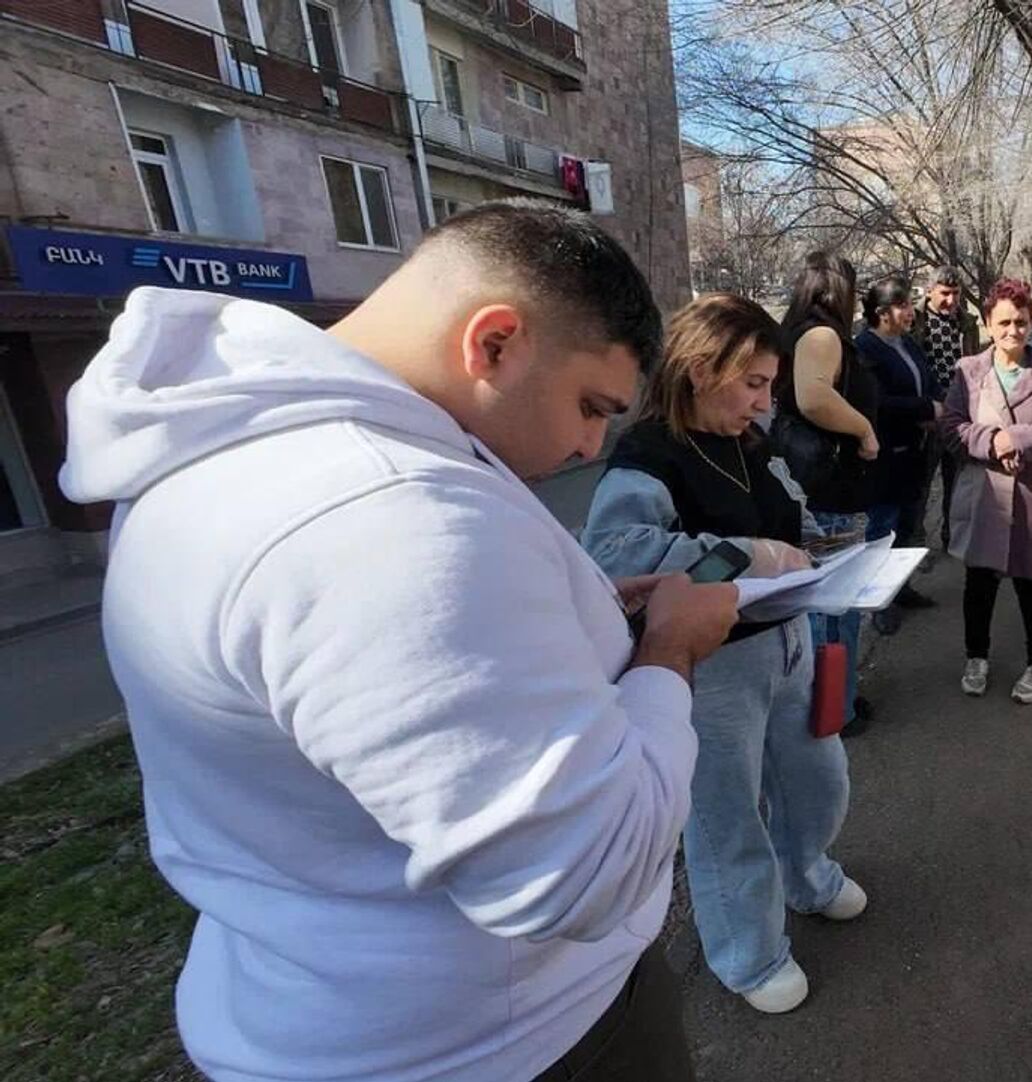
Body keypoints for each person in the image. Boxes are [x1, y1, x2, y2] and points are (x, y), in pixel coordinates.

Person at [57, 200, 739, 1082]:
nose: (588, 445)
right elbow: (582, 874)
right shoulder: (392, 517)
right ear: (495, 342)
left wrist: (579, 619)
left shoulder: (229, 453)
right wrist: (668, 654)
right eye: (589, 405)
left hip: (336, 1010)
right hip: (508, 1043)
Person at [581, 293, 867, 1016]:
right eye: (754, 383)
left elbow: (794, 515)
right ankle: (750, 953)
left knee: (817, 777)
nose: (766, 402)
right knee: (725, 815)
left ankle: (808, 875)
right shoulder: (648, 454)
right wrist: (744, 557)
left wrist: (828, 546)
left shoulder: (750, 441)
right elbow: (618, 558)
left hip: (789, 640)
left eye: (768, 384)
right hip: (712, 668)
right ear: (702, 370)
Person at [941, 278, 1032, 704]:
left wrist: (1016, 439)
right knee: (979, 583)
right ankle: (976, 656)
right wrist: (992, 443)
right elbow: (951, 427)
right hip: (985, 495)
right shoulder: (968, 372)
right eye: (1003, 322)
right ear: (987, 323)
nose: (1012, 331)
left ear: (1031, 322)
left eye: (1020, 322)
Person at [774, 252, 882, 730]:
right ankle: (832, 710)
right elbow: (814, 397)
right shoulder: (821, 335)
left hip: (821, 490)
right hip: (829, 495)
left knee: (828, 606)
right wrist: (864, 430)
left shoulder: (800, 332)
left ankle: (837, 701)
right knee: (834, 609)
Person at [854, 276, 941, 623]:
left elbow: (928, 378)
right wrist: (925, 409)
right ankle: (880, 603)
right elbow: (876, 402)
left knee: (909, 524)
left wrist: (935, 404)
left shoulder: (907, 343)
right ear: (881, 312)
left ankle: (901, 587)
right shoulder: (865, 348)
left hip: (916, 450)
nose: (910, 311)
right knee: (883, 529)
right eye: (902, 305)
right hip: (886, 454)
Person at [909, 265, 982, 549]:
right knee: (921, 484)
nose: (951, 300)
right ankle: (915, 542)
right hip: (927, 414)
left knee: (957, 483)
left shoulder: (967, 323)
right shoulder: (913, 320)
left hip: (959, 414)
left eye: (956, 293)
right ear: (929, 292)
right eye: (944, 294)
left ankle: (952, 537)